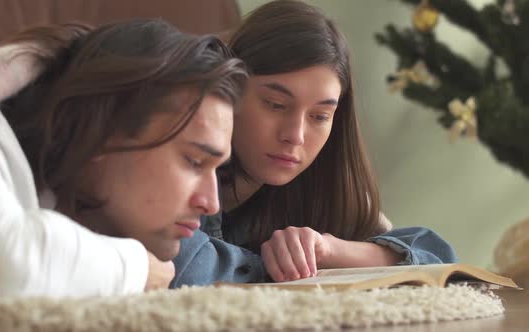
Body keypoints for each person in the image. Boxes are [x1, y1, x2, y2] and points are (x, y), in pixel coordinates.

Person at [0, 19, 246, 296]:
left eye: (216, 169)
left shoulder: (61, 192)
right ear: (102, 132)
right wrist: (137, 269)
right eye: (194, 161)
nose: (211, 202)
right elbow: (4, 267)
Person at [170, 0, 457, 286]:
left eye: (320, 116)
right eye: (275, 104)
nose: (295, 135)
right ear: (229, 90)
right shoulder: (176, 165)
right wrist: (280, 267)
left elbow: (438, 258)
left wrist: (329, 250)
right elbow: (187, 265)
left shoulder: (326, 183)